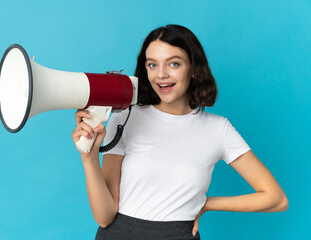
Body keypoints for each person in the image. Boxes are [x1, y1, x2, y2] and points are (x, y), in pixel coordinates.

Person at [71, 24, 288, 240]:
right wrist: (89, 157)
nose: (161, 75)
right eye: (152, 65)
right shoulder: (123, 118)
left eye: (174, 63)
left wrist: (208, 204)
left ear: (194, 68)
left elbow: (276, 199)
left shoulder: (218, 129)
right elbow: (104, 217)